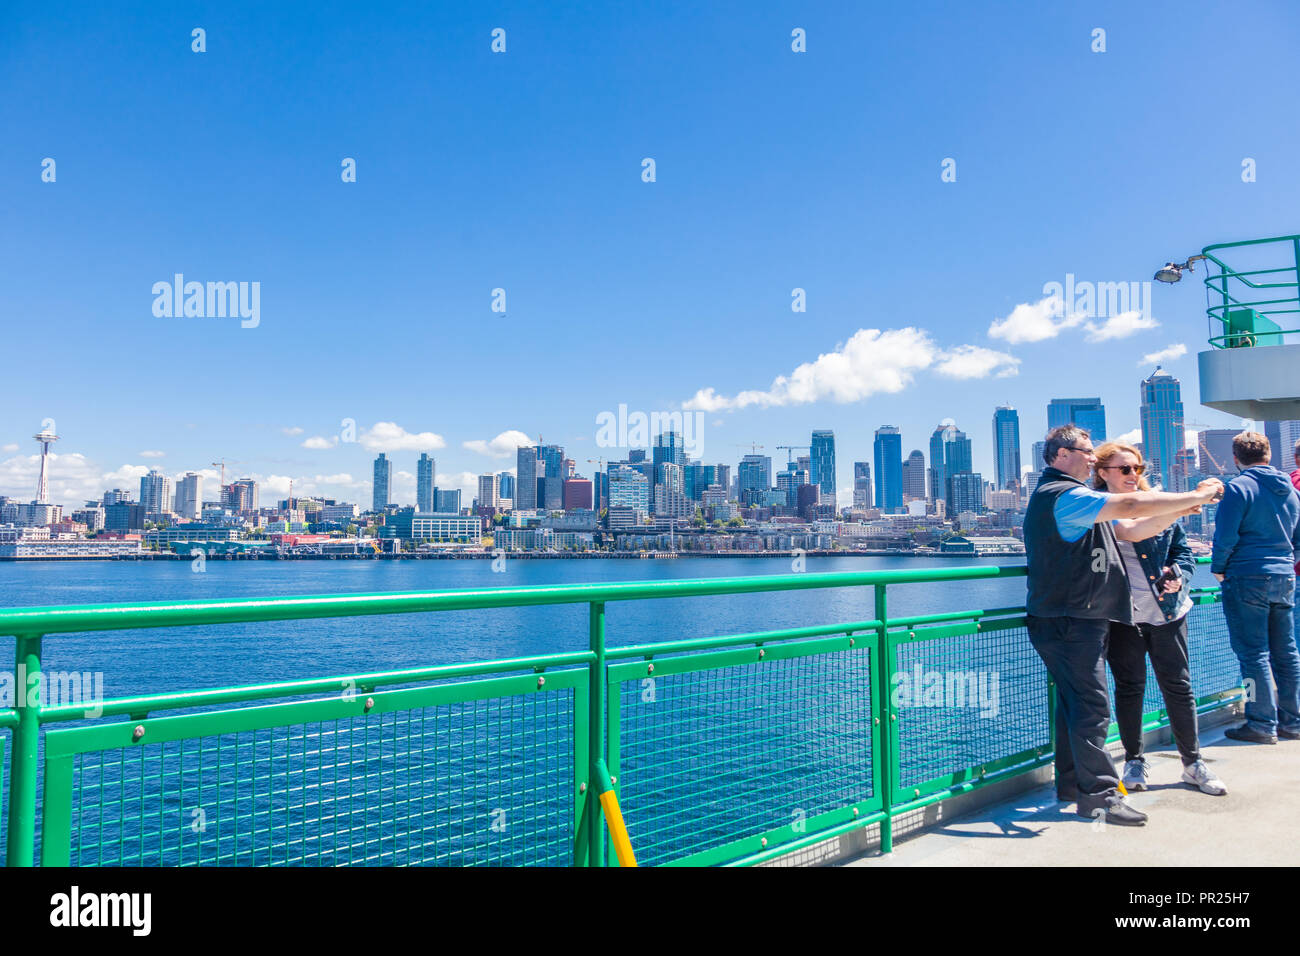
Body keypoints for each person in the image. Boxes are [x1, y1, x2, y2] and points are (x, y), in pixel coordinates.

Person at [1024, 425, 1221, 827]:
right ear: (1061, 455)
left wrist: (1182, 510)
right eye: (1086, 452)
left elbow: (1130, 528)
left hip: (1072, 617)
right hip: (1070, 619)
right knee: (1093, 709)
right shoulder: (1063, 496)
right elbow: (1131, 507)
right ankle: (1100, 797)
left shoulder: (1076, 499)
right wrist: (1198, 496)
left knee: (1074, 706)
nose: (1093, 459)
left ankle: (1072, 785)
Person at [1092, 442, 1226, 795]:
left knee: (1178, 687)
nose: (1133, 475)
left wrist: (1179, 575)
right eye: (1124, 469)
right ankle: (1134, 759)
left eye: (1137, 468)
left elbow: (1182, 551)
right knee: (1130, 688)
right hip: (1123, 618)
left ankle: (1193, 763)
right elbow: (1132, 529)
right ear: (1103, 473)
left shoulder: (1160, 502)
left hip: (1168, 612)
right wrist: (1189, 501)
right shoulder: (1097, 508)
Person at [1212, 431, 1300, 743]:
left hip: (1247, 575)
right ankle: (1293, 721)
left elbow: (1225, 536)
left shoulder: (1237, 488)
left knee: (1253, 653)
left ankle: (1261, 723)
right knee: (1286, 652)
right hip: (1284, 575)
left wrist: (1219, 568)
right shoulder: (1289, 489)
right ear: (1269, 455)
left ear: (1236, 458)